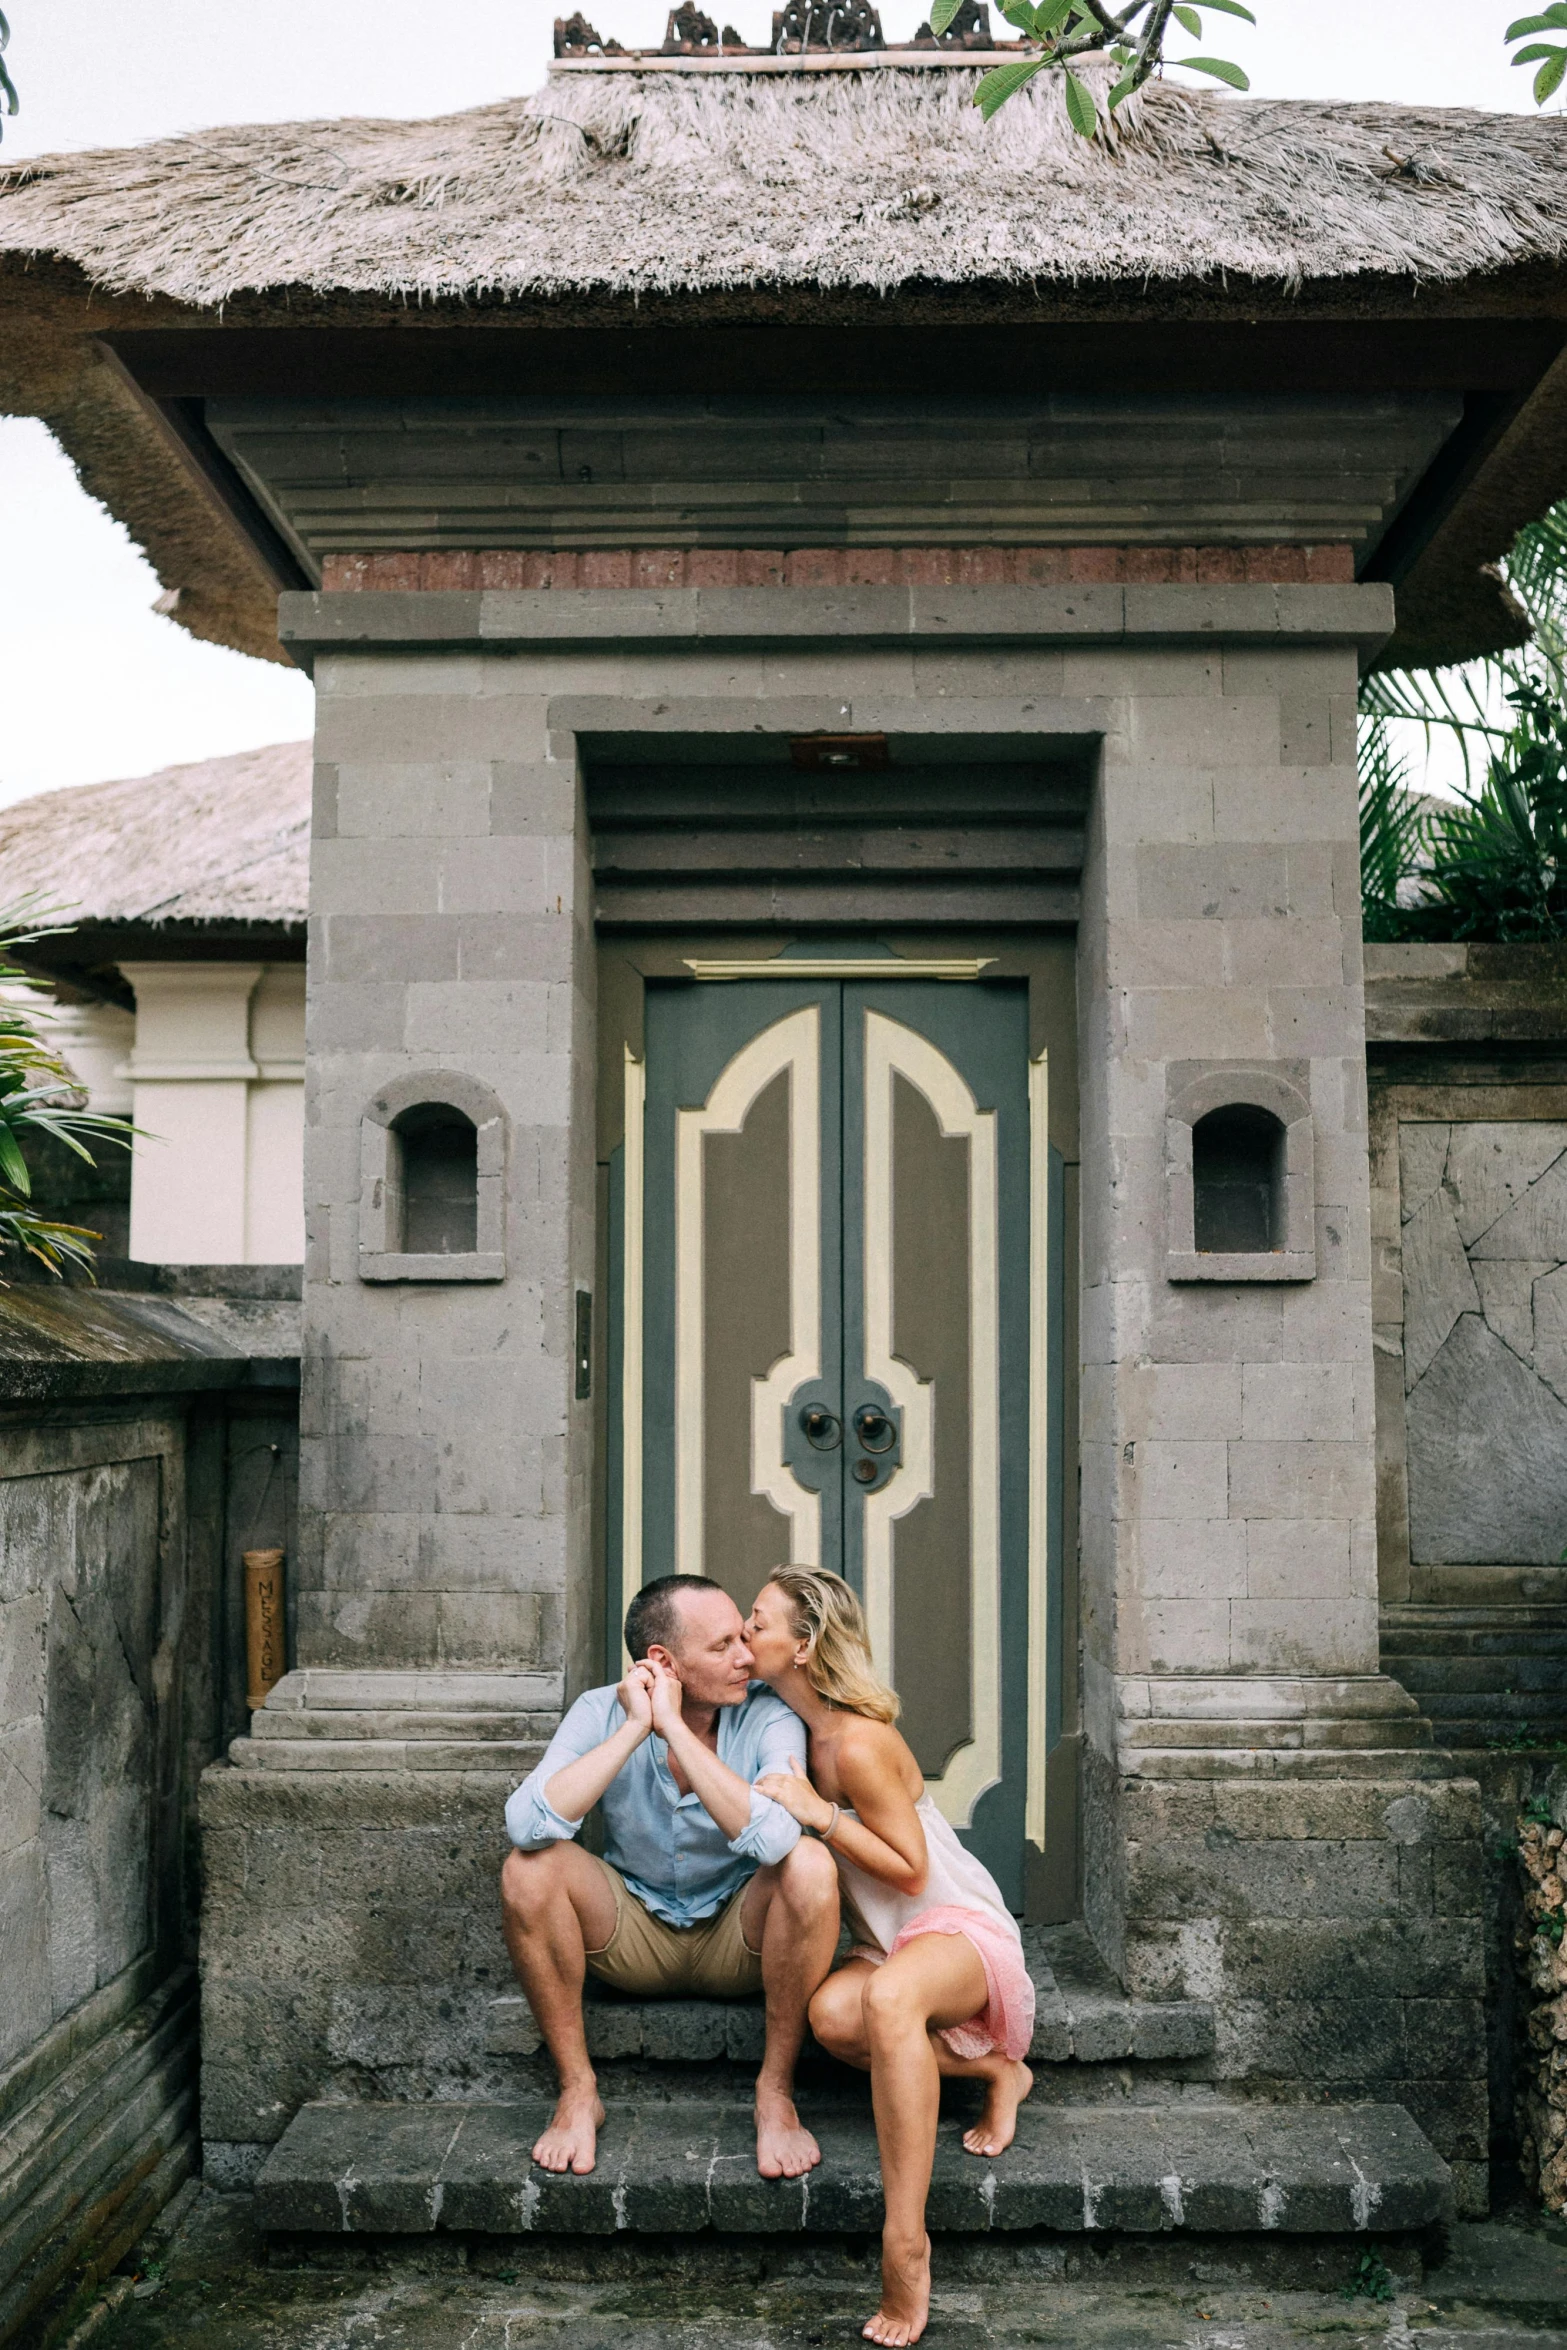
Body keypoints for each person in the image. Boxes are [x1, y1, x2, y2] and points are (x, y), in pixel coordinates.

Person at [747, 1566, 1035, 2350]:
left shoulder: (859, 1743)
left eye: (758, 1622)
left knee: (886, 2004)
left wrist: (818, 1815)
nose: (746, 1633)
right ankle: (993, 2072)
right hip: (888, 1943)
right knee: (834, 2019)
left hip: (957, 1931)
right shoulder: (785, 1731)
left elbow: (910, 1870)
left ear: (803, 1647)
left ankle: (904, 2243)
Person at [501, 1572, 840, 2181]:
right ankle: (578, 2092)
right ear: (663, 1661)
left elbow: (778, 1838)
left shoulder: (770, 1716)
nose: (745, 1657)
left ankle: (775, 2092)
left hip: (740, 1938)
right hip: (630, 1935)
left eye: (743, 1636)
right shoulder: (599, 1711)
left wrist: (676, 1730)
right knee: (528, 1871)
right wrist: (636, 1727)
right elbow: (526, 1823)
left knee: (811, 1865)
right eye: (721, 1648)